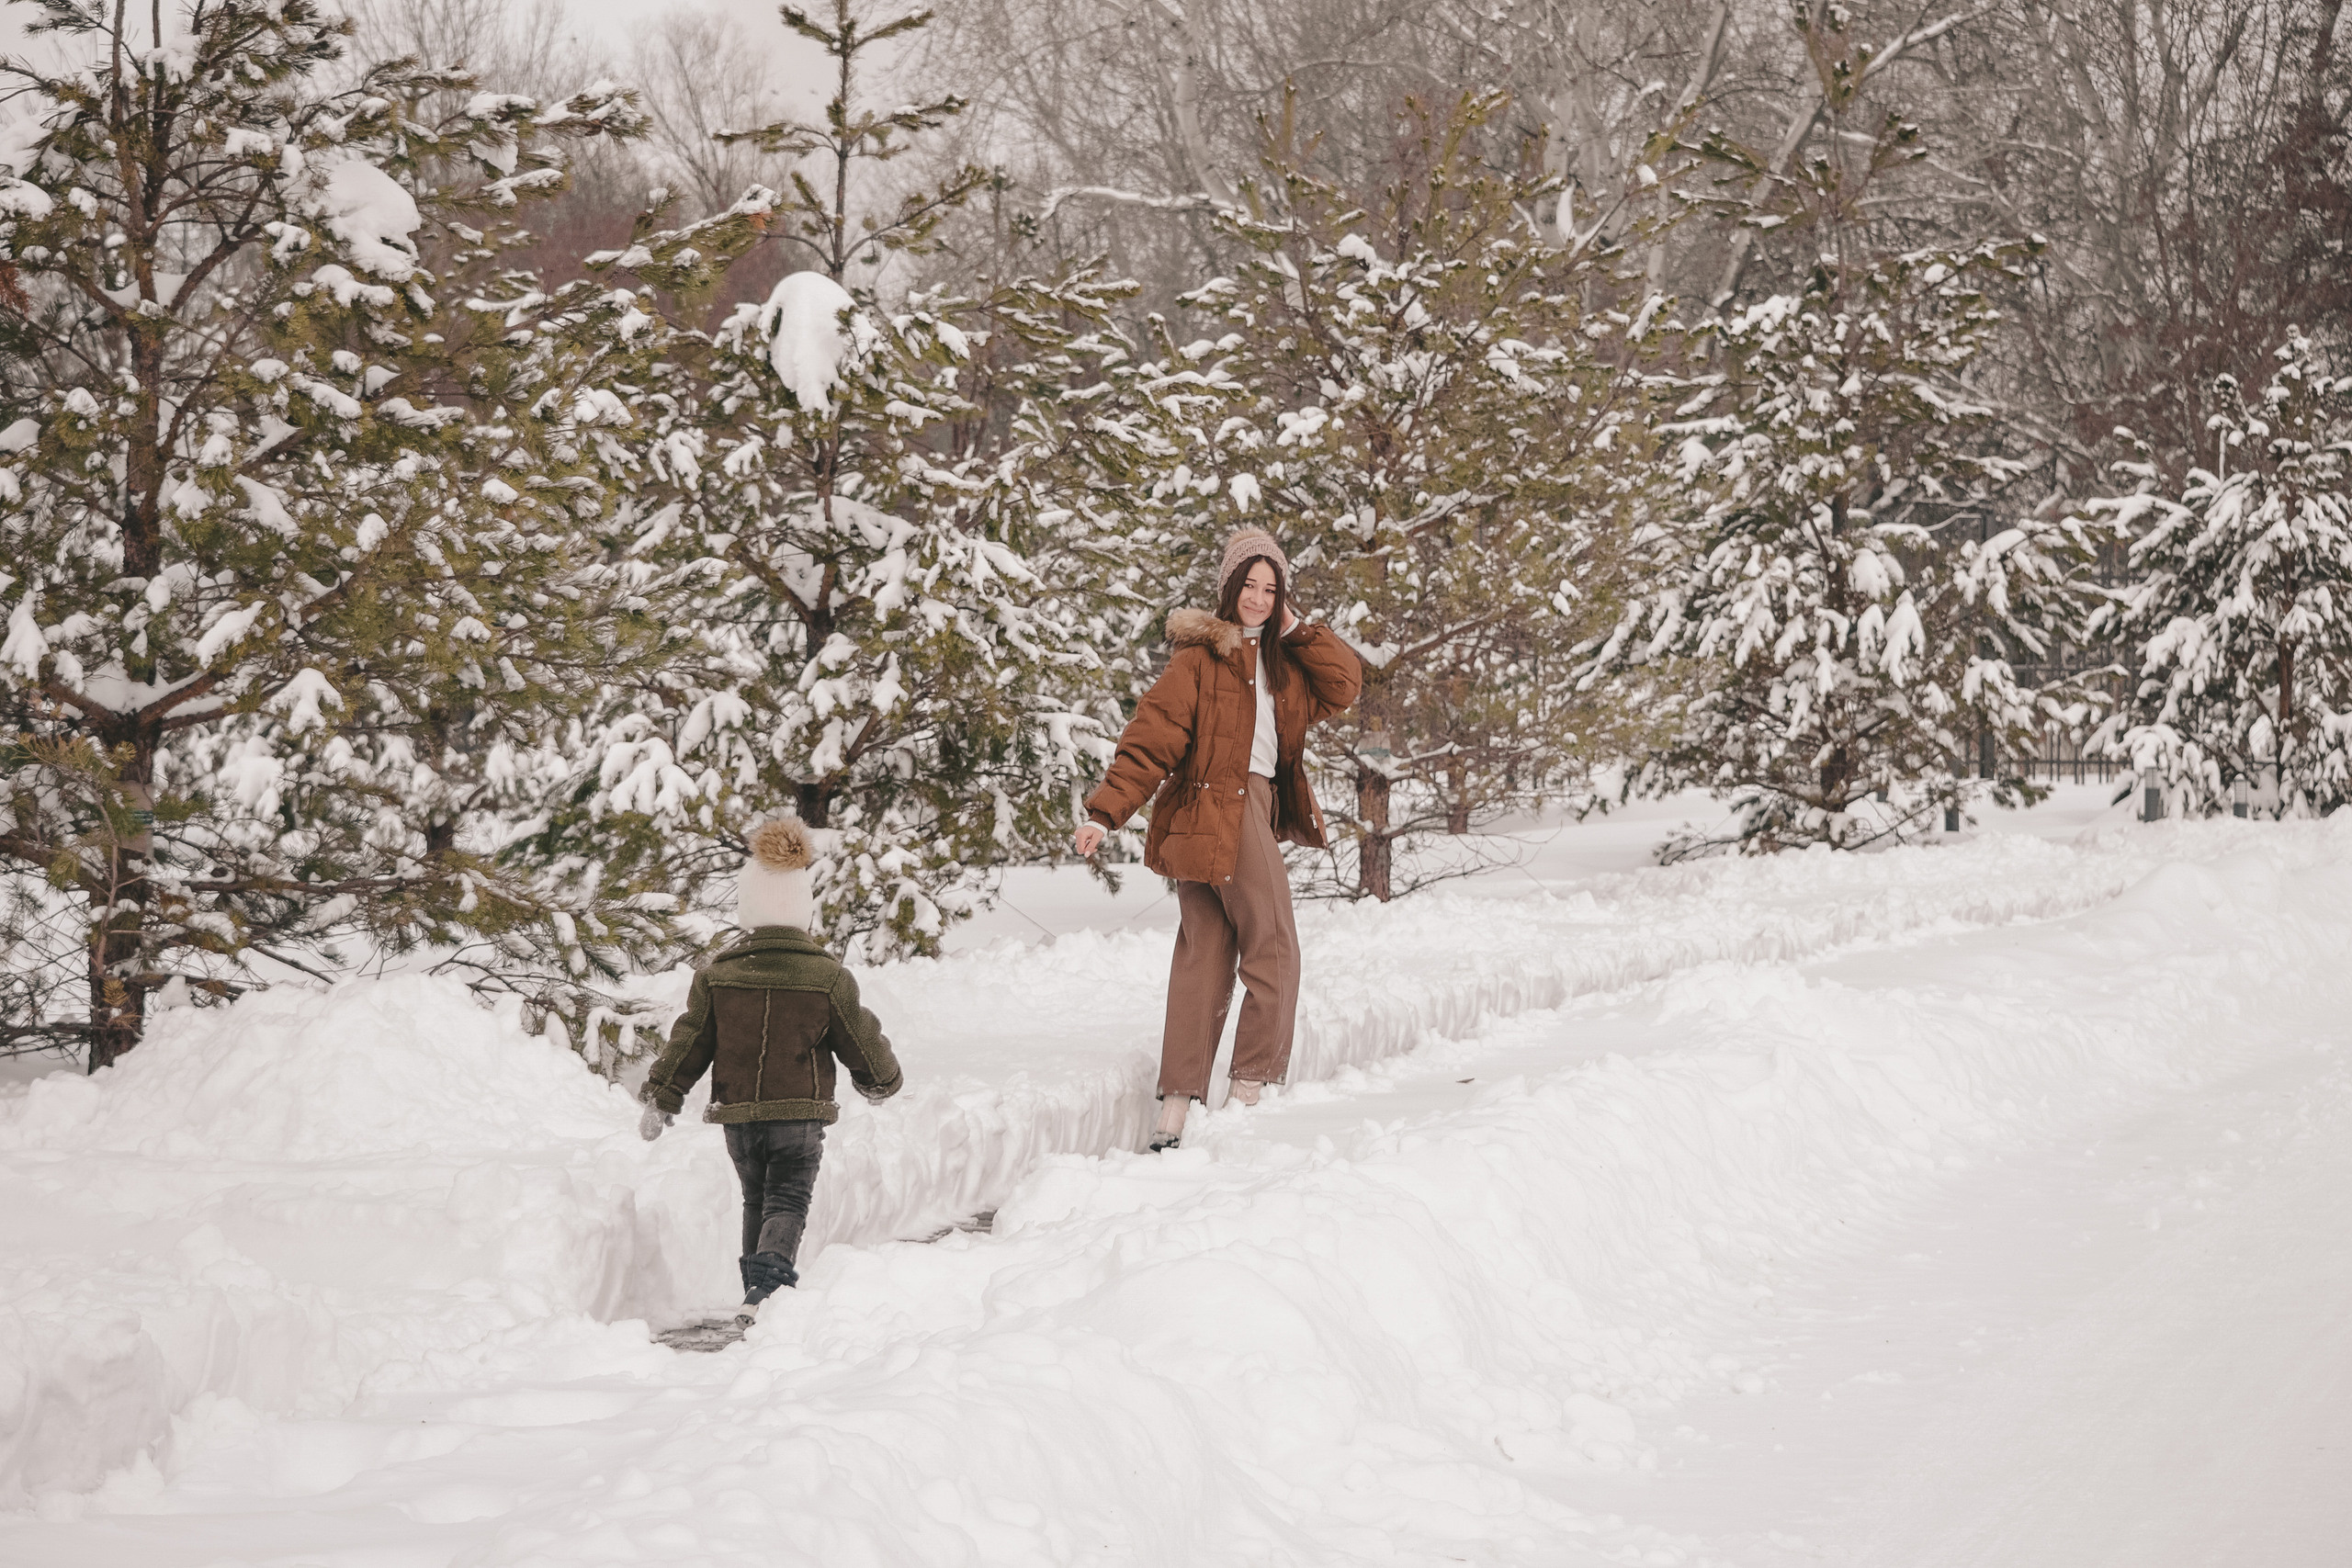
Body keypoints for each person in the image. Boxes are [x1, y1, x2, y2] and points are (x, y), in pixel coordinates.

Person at [1074, 527, 1363, 1150]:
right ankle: (1248, 1093)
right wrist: (1105, 812)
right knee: (1275, 944)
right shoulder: (1199, 660)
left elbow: (1345, 683)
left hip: (1214, 815)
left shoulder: (1287, 667)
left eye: (1270, 587)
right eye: (1249, 585)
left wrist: (1293, 625)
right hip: (1226, 808)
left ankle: (1173, 1114)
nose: (1258, 598)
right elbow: (1151, 739)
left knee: (1203, 954)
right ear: (1229, 587)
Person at [638, 818, 902, 1319]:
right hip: (798, 1116)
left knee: (755, 1196)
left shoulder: (718, 976)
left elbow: (690, 1040)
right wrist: (880, 1081)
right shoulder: (827, 977)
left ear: (749, 910)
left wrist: (661, 1095)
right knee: (787, 1198)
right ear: (802, 910)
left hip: (738, 1114)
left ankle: (754, 1291)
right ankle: (767, 1290)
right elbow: (860, 1038)